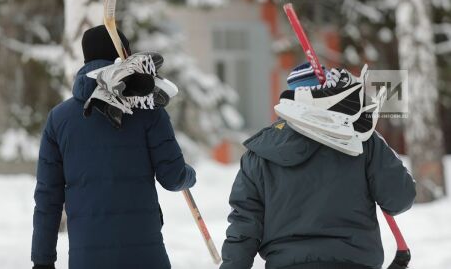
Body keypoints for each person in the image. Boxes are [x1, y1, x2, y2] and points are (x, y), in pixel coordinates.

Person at [220, 63, 416, 269]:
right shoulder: (363, 140)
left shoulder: (260, 152)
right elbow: (400, 199)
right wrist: (377, 144)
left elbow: (244, 227)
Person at [31, 25, 196, 269]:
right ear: (124, 55)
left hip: (87, 259)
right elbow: (173, 177)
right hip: (145, 257)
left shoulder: (59, 119)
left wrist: (42, 260)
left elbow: (48, 197)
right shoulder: (148, 112)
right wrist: (189, 176)